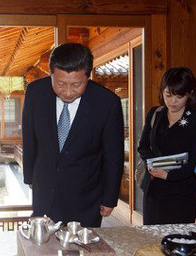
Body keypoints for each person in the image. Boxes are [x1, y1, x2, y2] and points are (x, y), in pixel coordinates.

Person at [22, 43, 125, 227]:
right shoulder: (35, 93)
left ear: (88, 76)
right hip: (45, 189)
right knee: (45, 250)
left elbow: (113, 156)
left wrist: (109, 198)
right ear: (51, 74)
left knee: (82, 251)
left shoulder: (107, 103)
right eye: (60, 84)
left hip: (85, 195)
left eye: (76, 85)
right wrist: (29, 177)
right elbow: (29, 137)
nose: (68, 92)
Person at [137, 68, 196, 225]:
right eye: (168, 95)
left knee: (178, 238)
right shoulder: (155, 113)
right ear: (162, 92)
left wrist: (168, 175)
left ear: (189, 94)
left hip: (180, 191)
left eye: (179, 96)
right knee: (151, 239)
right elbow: (143, 147)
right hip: (153, 188)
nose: (173, 101)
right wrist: (154, 165)